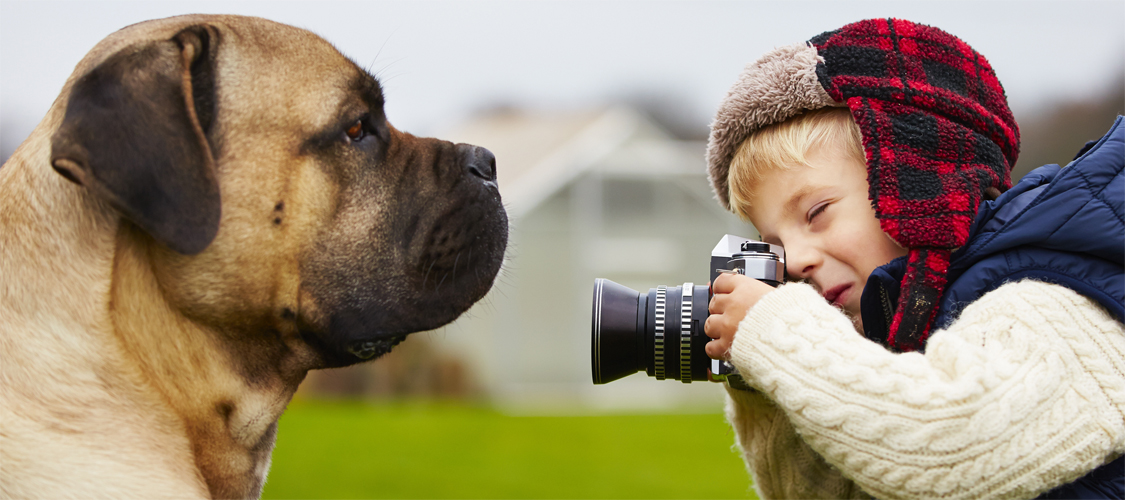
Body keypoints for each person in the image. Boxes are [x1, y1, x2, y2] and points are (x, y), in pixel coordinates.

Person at [701, 18, 1124, 500]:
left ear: (917, 176)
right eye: (773, 241)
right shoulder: (907, 330)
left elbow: (950, 451)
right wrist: (763, 379)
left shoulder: (1058, 297)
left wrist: (777, 333)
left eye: (817, 212)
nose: (793, 261)